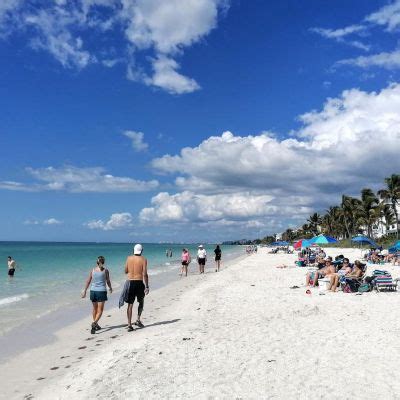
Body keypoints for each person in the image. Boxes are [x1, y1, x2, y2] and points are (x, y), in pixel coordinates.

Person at [81, 256, 112, 334]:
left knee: (95, 309)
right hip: (101, 292)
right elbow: (108, 281)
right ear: (103, 262)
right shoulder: (105, 270)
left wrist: (85, 291)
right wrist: (110, 288)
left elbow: (88, 281)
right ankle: (94, 323)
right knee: (100, 310)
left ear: (97, 262)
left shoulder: (93, 270)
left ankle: (95, 324)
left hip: (93, 291)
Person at [124, 244, 149, 331]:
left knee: (130, 304)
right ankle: (138, 319)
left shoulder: (128, 258)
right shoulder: (143, 259)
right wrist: (147, 286)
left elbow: (125, 271)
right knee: (141, 302)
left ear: (134, 250)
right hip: (139, 282)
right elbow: (145, 274)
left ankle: (129, 324)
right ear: (141, 251)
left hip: (130, 282)